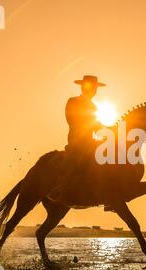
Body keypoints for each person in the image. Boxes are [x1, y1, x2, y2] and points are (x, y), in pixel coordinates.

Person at [48, 75, 106, 204]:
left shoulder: (94, 106)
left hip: (90, 142)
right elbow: (71, 119)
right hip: (77, 140)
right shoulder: (73, 101)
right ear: (83, 88)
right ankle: (61, 186)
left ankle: (110, 191)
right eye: (92, 87)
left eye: (95, 88)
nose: (94, 90)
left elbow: (96, 126)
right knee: (80, 159)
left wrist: (109, 131)